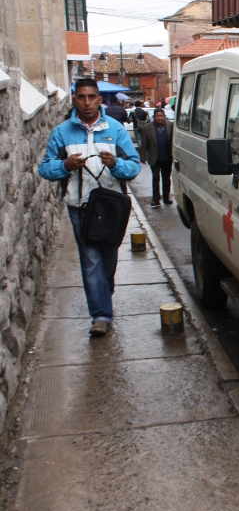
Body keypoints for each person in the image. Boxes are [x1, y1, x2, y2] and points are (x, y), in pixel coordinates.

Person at [38, 79, 141, 336]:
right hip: (80, 207)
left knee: (108, 259)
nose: (87, 102)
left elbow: (134, 166)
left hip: (111, 207)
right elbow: (45, 168)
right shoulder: (61, 133)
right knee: (91, 261)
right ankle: (101, 315)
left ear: (99, 100)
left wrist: (116, 164)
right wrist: (65, 166)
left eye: (92, 97)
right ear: (74, 99)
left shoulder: (115, 129)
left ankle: (104, 292)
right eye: (81, 97)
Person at [139, 108, 173, 207]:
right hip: (154, 158)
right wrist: (142, 157)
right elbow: (144, 143)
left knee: (166, 179)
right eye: (157, 116)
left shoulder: (171, 125)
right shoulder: (147, 127)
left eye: (161, 116)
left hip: (167, 157)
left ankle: (166, 198)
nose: (160, 118)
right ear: (154, 117)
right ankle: (156, 199)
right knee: (155, 178)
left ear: (164, 116)